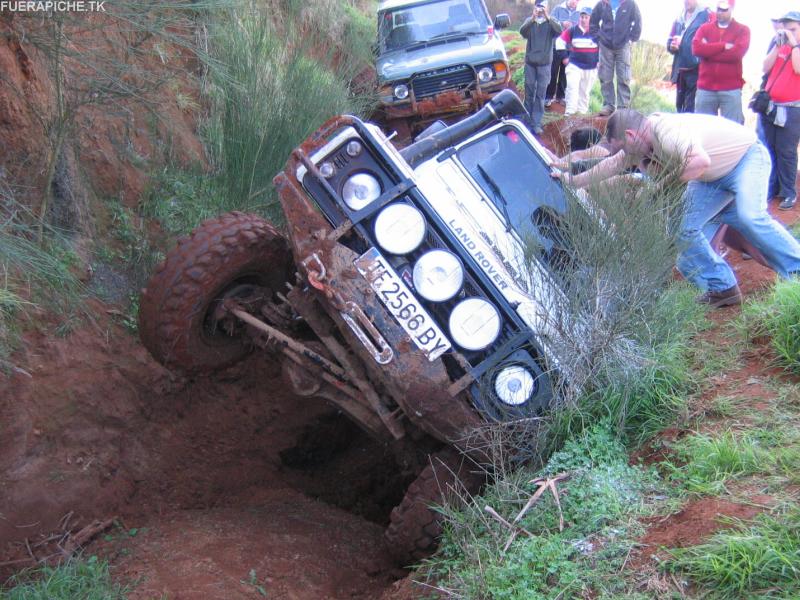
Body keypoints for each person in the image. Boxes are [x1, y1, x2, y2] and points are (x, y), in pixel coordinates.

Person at [553, 109, 800, 307]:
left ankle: (796, 268)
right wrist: (571, 182)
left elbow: (699, 162)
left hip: (746, 158)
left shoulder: (667, 131)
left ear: (630, 135)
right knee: (682, 228)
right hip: (712, 178)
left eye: (623, 147)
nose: (625, 155)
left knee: (750, 215)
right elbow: (609, 166)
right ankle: (723, 287)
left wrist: (657, 188)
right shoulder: (639, 143)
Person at [759, 11, 800, 211]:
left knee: (787, 151)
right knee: (771, 148)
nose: (788, 32)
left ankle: (789, 192)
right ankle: (773, 187)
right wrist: (777, 44)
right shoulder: (778, 43)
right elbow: (765, 68)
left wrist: (794, 45)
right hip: (771, 106)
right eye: (786, 28)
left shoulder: (796, 47)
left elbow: (798, 68)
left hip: (792, 110)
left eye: (793, 29)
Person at [692, 0, 750, 124]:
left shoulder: (742, 30)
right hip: (705, 88)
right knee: (702, 128)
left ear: (732, 9)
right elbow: (696, 49)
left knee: (733, 129)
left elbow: (737, 54)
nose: (720, 12)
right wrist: (722, 46)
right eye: (718, 9)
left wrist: (707, 52)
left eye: (724, 9)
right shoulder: (704, 28)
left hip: (731, 89)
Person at [589, 0, 642, 117]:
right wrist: (598, 38)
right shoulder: (602, 3)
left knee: (623, 77)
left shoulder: (630, 4)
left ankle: (623, 108)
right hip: (605, 45)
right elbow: (593, 22)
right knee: (605, 76)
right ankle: (608, 105)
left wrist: (631, 38)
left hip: (623, 45)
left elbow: (638, 22)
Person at [520, 0, 563, 134]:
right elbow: (522, 32)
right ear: (535, 8)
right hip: (530, 63)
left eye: (543, 7)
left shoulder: (552, 22)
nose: (541, 10)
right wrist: (532, 18)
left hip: (544, 64)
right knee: (529, 92)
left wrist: (547, 16)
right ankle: (525, 121)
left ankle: (536, 122)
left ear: (547, 8)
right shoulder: (530, 21)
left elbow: (559, 31)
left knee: (541, 94)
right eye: (539, 7)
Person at [667, 0, 711, 113]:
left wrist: (684, 43)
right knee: (679, 106)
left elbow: (708, 43)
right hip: (680, 70)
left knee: (690, 109)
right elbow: (670, 39)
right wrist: (671, 46)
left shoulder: (705, 16)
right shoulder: (679, 17)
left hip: (696, 70)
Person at [561, 6, 599, 116]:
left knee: (585, 92)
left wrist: (600, 61)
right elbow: (560, 41)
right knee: (572, 88)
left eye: (586, 17)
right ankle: (569, 114)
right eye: (582, 17)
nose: (583, 19)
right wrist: (564, 57)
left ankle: (581, 115)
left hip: (591, 67)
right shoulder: (572, 30)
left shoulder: (596, 32)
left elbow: (603, 47)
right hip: (574, 65)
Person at [546, 0, 581, 108]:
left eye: (577, 1)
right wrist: (562, 24)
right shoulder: (558, 9)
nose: (574, 2)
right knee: (553, 72)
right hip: (557, 45)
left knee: (565, 73)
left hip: (570, 47)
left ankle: (561, 97)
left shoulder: (579, 13)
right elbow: (550, 23)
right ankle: (548, 97)